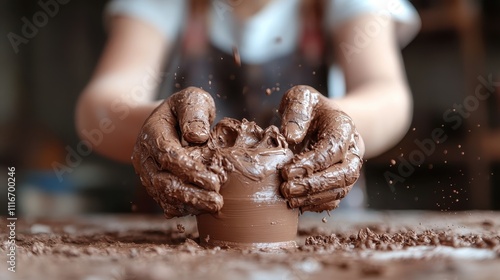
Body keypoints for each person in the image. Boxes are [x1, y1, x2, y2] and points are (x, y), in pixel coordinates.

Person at [75, 0, 420, 216]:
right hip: (182, 232)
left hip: (321, 224)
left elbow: (388, 95)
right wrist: (152, 124)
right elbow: (100, 108)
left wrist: (341, 124)